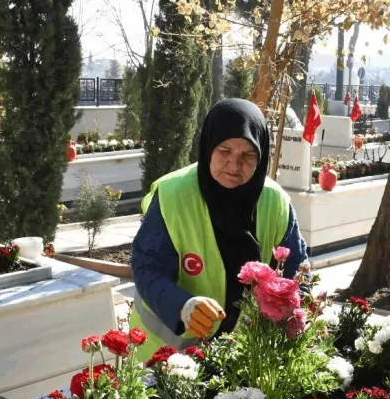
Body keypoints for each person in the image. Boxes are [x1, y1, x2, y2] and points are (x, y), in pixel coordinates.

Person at [130, 99, 310, 355]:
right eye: (224, 151)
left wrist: (294, 321)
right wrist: (183, 305)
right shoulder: (173, 195)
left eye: (248, 155)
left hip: (241, 356)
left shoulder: (274, 201)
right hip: (165, 358)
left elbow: (297, 271)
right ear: (208, 147)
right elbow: (148, 267)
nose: (235, 165)